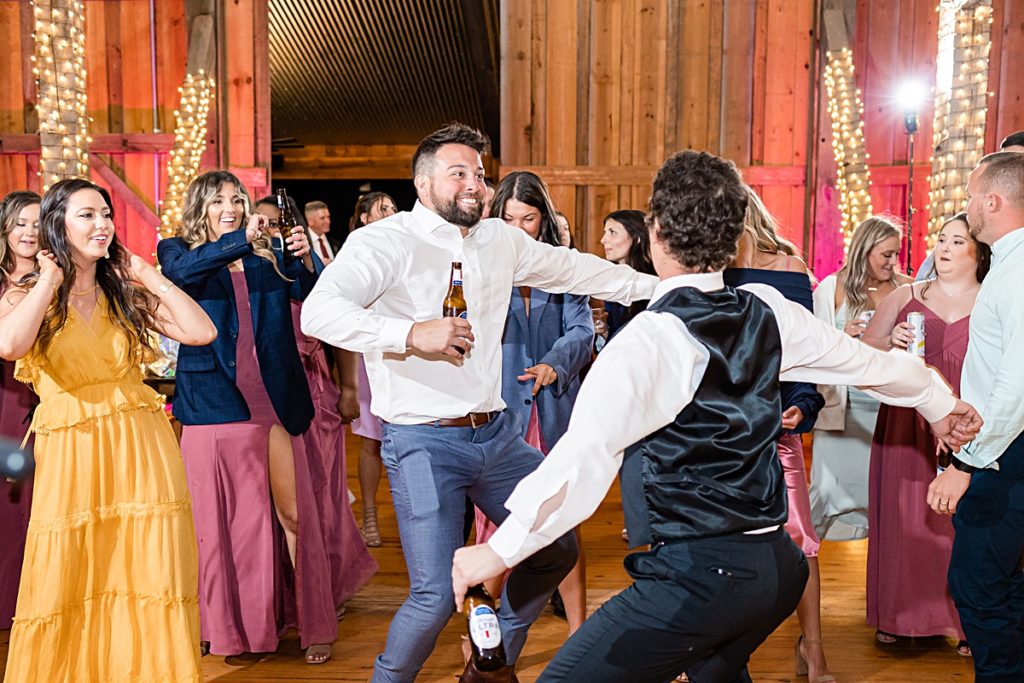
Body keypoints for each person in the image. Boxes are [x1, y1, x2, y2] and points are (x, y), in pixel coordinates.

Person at [450, 150, 982, 683]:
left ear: (655, 233)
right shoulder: (767, 309)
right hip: (776, 571)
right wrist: (938, 406)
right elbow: (876, 367)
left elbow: (577, 470)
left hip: (701, 579)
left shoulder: (650, 340)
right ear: (733, 239)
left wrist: (496, 552)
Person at [300, 122, 657, 682]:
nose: (475, 184)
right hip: (422, 441)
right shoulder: (384, 242)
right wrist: (411, 333)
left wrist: (662, 290)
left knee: (555, 547)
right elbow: (319, 313)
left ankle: (489, 664)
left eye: (481, 175)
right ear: (423, 184)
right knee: (435, 596)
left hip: (496, 437)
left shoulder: (500, 241)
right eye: (459, 173)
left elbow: (578, 270)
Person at [0, 178, 217, 682]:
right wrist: (50, 281)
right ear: (58, 224)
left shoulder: (122, 291)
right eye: (87, 215)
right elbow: (10, 345)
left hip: (140, 446)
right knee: (70, 571)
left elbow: (200, 331)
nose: (103, 225)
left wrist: (150, 275)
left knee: (142, 568)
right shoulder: (27, 294)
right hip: (72, 449)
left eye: (106, 214)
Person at [158, 170, 338, 665]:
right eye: (219, 201)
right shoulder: (175, 250)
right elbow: (181, 277)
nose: (231, 207)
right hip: (216, 405)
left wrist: (305, 257)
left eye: (236, 199)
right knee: (223, 525)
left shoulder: (270, 258)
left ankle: (314, 622)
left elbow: (318, 299)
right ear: (201, 208)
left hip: (276, 400)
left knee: (295, 516)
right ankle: (232, 629)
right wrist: (243, 239)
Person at [861, 212, 988, 655]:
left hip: (967, 420)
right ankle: (901, 616)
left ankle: (964, 620)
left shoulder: (994, 300)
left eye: (958, 241)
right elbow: (865, 352)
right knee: (906, 516)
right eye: (942, 239)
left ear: (979, 251)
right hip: (905, 420)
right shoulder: (905, 295)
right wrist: (889, 341)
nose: (946, 248)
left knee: (962, 523)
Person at [475, 170, 594, 635]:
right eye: (508, 218)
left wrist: (554, 363)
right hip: (500, 416)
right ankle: (482, 641)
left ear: (543, 221)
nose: (517, 229)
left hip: (554, 414)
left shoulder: (564, 266)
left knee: (565, 524)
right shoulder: (481, 267)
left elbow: (583, 331)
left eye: (528, 219)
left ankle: (578, 634)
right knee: (495, 531)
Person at [722, 186, 832, 683]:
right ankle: (716, 654)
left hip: (774, 426)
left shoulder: (787, 268)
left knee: (801, 539)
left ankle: (815, 650)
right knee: (718, 543)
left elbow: (805, 351)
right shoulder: (705, 271)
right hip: (716, 431)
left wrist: (803, 404)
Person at [254, 195, 378, 614]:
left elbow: (342, 333)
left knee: (319, 493)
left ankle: (325, 588)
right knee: (274, 502)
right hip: (263, 400)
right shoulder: (247, 274)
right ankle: (283, 595)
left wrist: (348, 389)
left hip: (313, 389)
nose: (271, 232)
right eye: (263, 224)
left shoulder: (313, 274)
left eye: (278, 224)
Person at [935, 151, 1024, 682]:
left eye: (971, 196)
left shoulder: (1017, 273)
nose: (967, 206)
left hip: (1002, 455)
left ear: (991, 201)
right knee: (1004, 583)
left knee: (979, 586)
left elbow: (1015, 385)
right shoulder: (1008, 264)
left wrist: (967, 462)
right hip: (999, 448)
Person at [810, 216, 911, 541]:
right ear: (865, 250)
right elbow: (814, 348)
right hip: (846, 412)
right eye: (886, 254)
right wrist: (843, 335)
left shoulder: (906, 288)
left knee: (887, 498)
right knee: (824, 493)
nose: (893, 261)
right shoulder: (831, 287)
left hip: (889, 409)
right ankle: (801, 571)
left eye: (896, 253)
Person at [347, 191, 399, 546]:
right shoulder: (357, 251)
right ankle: (369, 516)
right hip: (369, 355)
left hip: (405, 354)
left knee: (404, 439)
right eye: (383, 209)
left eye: (394, 208)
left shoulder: (406, 247)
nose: (391, 213)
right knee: (371, 441)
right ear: (365, 217)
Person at [0, 190, 40, 630]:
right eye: (19, 224)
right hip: (4, 398)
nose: (28, 232)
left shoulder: (58, 278)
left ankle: (28, 607)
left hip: (40, 401)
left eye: (35, 224)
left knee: (35, 502)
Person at [914, 131, 1024, 281]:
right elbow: (927, 279)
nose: (1008, 169)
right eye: (1003, 162)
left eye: (1017, 163)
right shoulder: (972, 227)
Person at [593, 209, 656, 346]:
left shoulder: (655, 280)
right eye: (605, 232)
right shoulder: (610, 280)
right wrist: (602, 332)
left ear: (636, 238)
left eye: (612, 232)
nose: (603, 240)